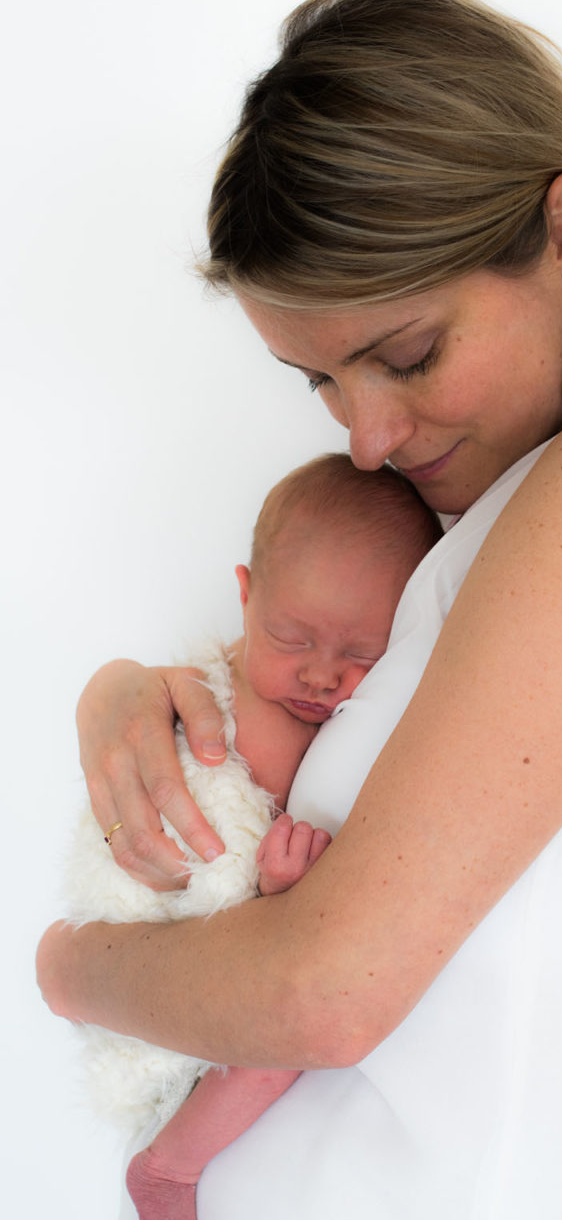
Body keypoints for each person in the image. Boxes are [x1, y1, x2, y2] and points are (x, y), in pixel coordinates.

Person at [37, 0, 562, 1219]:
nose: (368, 437)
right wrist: (142, 705)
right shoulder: (494, 522)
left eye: (407, 353)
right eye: (316, 381)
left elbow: (322, 989)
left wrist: (71, 966)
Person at [63, 451, 442, 1220]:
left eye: (361, 653)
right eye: (291, 636)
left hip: (161, 959)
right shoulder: (207, 699)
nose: (321, 675)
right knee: (278, 1050)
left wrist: (272, 890)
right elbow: (204, 864)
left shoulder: (352, 723)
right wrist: (266, 892)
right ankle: (169, 1166)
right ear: (244, 595)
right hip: (154, 928)